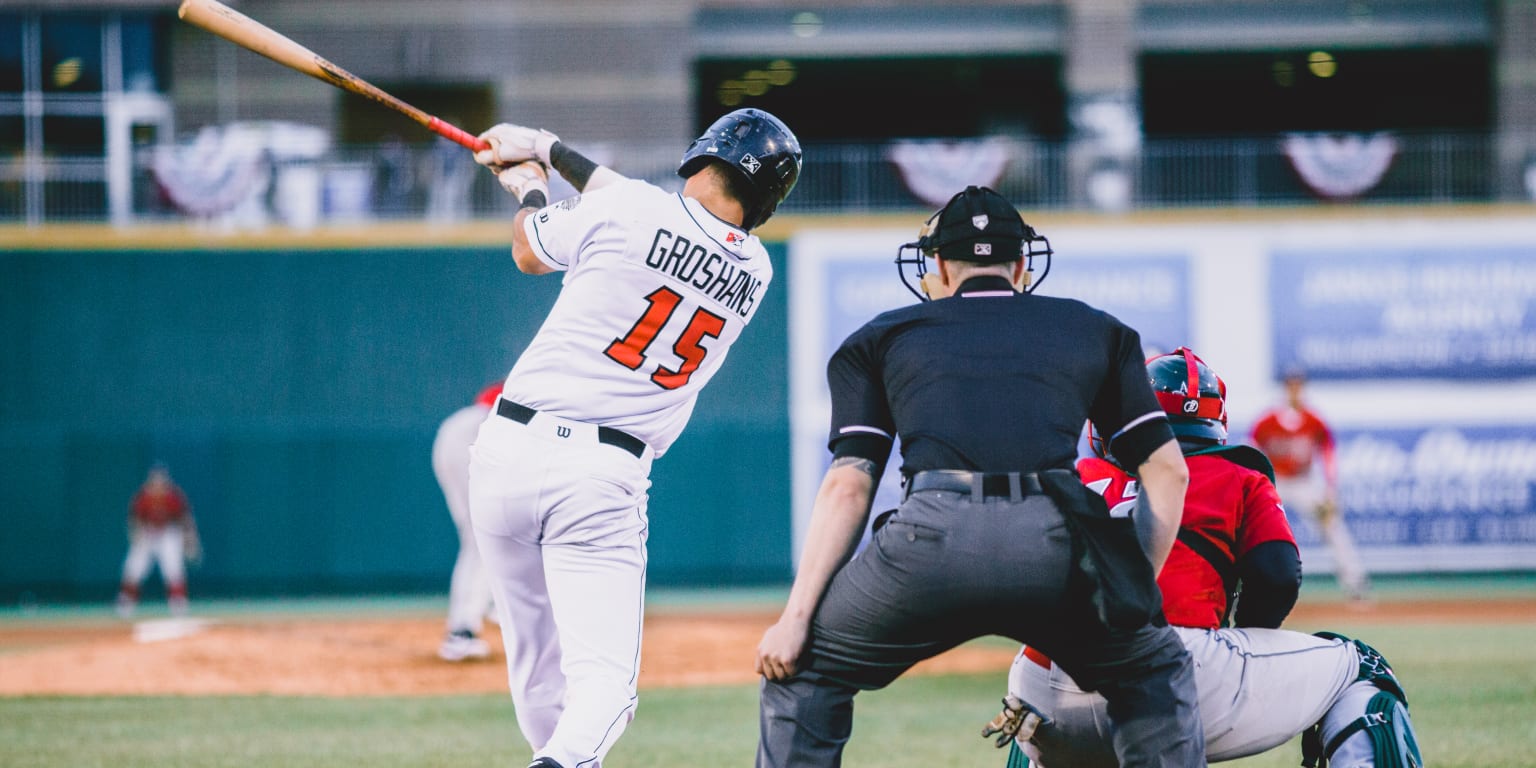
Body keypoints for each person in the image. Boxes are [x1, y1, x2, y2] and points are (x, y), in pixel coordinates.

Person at [755, 185, 1203, 768]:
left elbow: (850, 483)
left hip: (928, 541)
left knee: (804, 670)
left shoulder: (881, 337)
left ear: (938, 264)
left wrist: (795, 622)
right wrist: (1130, 594)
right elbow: (1168, 473)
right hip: (1057, 543)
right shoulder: (1096, 329)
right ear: (1021, 265)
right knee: (1154, 669)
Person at [466, 108, 802, 768]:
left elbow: (529, 249)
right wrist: (544, 150)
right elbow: (637, 209)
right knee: (605, 684)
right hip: (600, 473)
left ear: (707, 154)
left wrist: (533, 184)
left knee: (535, 658)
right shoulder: (755, 272)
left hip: (504, 452)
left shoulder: (632, 210)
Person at [987, 348, 1422, 768]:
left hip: (1043, 692)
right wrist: (1247, 637)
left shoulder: (1075, 476)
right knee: (1361, 668)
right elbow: (1277, 576)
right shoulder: (1235, 474)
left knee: (1038, 670)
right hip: (1169, 671)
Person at [1250, 368, 1371, 601]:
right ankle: (1244, 588)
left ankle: (1355, 582)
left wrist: (1329, 489)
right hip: (1276, 483)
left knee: (1332, 526)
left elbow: (1327, 453)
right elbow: (1253, 450)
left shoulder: (1313, 420)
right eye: (1291, 385)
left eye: (1298, 385)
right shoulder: (1268, 421)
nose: (1295, 389)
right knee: (1253, 530)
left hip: (1304, 484)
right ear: (1285, 388)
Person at [433, 381, 504, 662]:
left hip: (460, 434)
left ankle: (489, 607)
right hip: (470, 435)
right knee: (481, 538)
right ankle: (462, 632)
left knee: (484, 536)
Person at [115, 463, 200, 619]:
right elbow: (134, 521)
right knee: (134, 567)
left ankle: (178, 604)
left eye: (161, 482)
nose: (158, 485)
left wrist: (190, 540)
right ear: (150, 482)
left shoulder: (173, 497)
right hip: (147, 533)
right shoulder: (143, 497)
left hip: (168, 533)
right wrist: (136, 537)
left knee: (173, 568)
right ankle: (125, 604)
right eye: (155, 482)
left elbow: (186, 520)